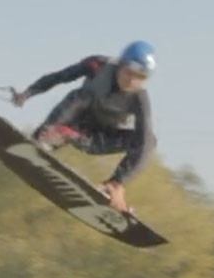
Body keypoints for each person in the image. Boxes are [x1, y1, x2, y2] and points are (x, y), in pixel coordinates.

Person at [12, 40, 157, 213]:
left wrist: (120, 182)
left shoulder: (139, 98)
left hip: (95, 139)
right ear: (120, 64)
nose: (132, 81)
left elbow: (142, 141)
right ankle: (44, 138)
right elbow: (59, 77)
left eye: (140, 78)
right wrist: (27, 93)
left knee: (149, 140)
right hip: (71, 123)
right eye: (129, 73)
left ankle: (112, 187)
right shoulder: (97, 65)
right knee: (82, 96)